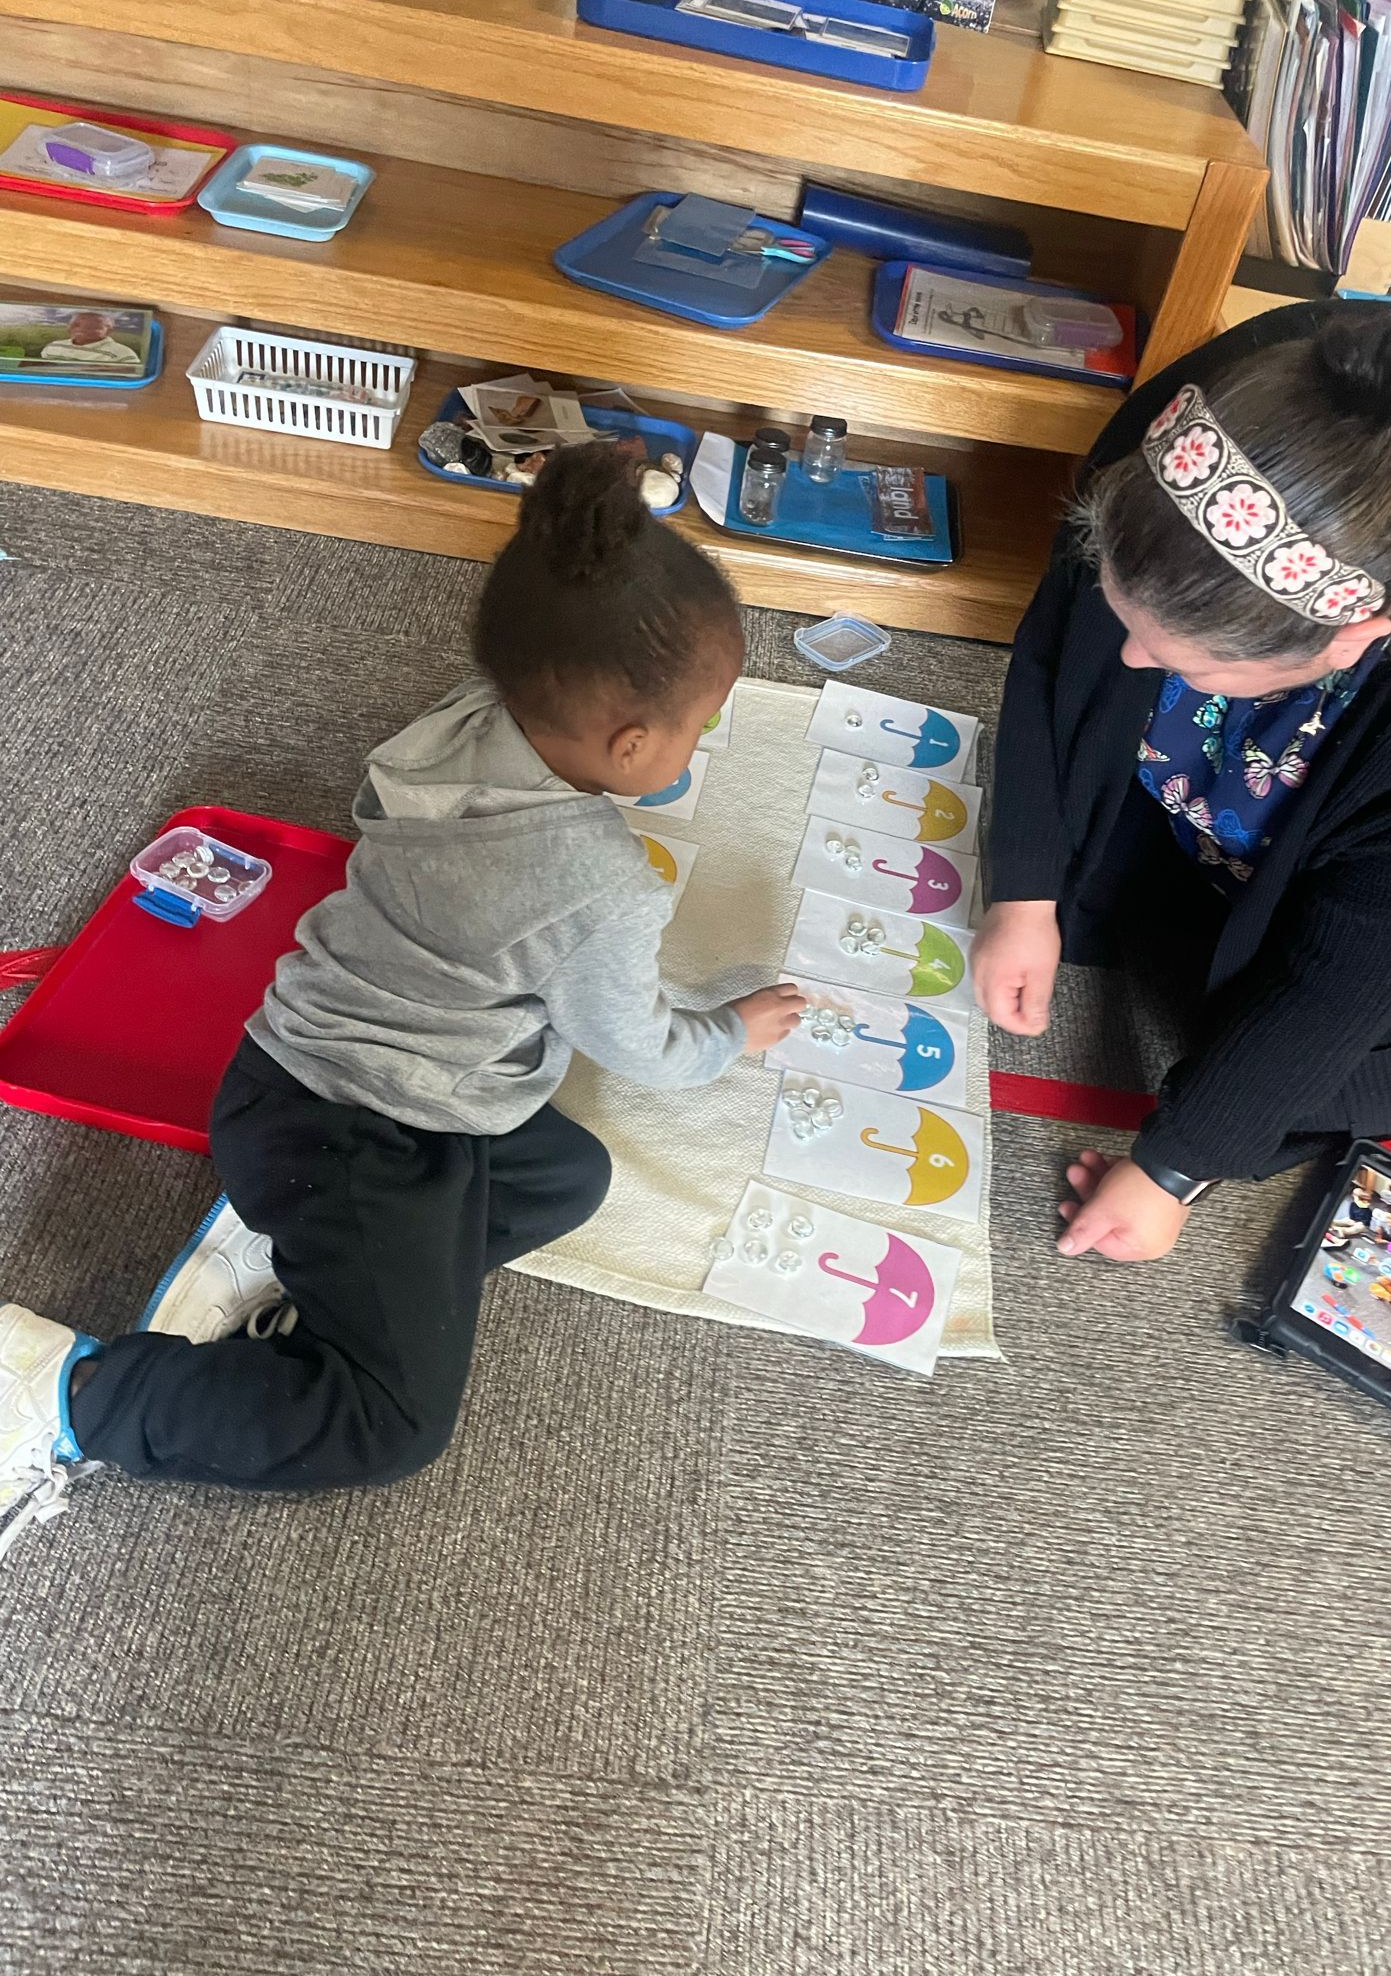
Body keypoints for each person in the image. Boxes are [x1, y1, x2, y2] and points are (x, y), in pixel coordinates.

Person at [0, 445, 806, 1554]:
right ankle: (65, 1391)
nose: (699, 741)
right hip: (351, 1129)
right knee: (392, 1422)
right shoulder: (598, 881)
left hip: (302, 1081)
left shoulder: (468, 716)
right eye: (697, 725)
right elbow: (638, 1041)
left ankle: (285, 1242)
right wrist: (730, 1028)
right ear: (629, 744)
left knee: (570, 1176)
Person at [974, 300, 1391, 1262]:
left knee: (1346, 1069)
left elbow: (1356, 970)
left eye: (1188, 661)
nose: (1135, 659)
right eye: (1128, 615)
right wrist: (1023, 884)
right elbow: (1058, 647)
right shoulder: (1199, 428)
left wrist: (1174, 1168)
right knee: (1115, 897)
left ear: (1353, 641)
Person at [39, 309, 142, 370]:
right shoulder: (53, 346)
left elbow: (135, 373)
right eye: (76, 325)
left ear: (109, 330)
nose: (81, 329)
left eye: (92, 327)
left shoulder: (123, 353)